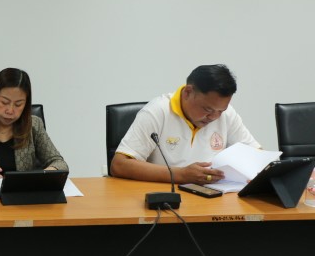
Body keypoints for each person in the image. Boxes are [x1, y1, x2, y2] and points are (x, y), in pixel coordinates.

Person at [111, 64, 261, 185]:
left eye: (221, 111)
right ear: (188, 92)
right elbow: (119, 165)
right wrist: (182, 175)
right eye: (207, 109)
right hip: (167, 199)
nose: (214, 117)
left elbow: (256, 155)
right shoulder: (158, 111)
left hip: (213, 199)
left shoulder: (227, 115)